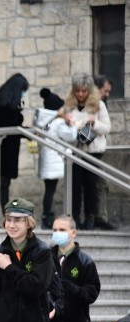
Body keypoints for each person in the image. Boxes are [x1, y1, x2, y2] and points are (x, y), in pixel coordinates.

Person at [61, 72, 110, 230]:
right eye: (78, 91)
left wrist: (93, 122)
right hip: (75, 151)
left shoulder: (98, 105)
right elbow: (61, 129)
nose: (81, 94)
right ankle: (75, 218)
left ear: (89, 91)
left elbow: (107, 128)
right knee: (75, 185)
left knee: (91, 186)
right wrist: (67, 123)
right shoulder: (69, 106)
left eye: (84, 91)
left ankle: (90, 218)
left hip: (93, 151)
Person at [0, 73, 29, 213]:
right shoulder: (7, 107)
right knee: (1, 186)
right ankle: (0, 217)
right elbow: (11, 127)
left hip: (0, 153)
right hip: (4, 153)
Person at [34, 88, 76, 229]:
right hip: (55, 160)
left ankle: (47, 215)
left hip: (47, 161)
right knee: (51, 190)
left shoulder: (44, 121)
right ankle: (48, 217)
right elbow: (70, 136)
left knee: (49, 190)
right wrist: (72, 125)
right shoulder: (57, 123)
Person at [92, 75, 116, 231]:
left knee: (100, 184)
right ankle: (98, 217)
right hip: (89, 153)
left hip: (97, 153)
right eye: (105, 91)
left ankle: (97, 217)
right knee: (101, 183)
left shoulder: (101, 104)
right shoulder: (92, 104)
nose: (107, 94)